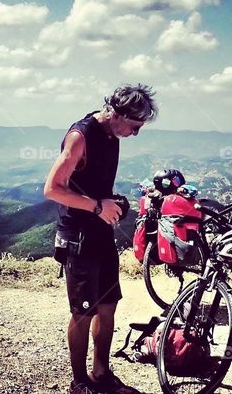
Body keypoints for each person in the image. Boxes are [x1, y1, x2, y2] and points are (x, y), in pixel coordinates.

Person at [43, 84, 158, 394]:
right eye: (134, 126)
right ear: (118, 114)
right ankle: (79, 383)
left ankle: (101, 374)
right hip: (77, 234)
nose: (135, 134)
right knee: (83, 311)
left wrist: (113, 202)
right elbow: (52, 188)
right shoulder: (81, 136)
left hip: (100, 232)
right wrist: (97, 206)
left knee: (107, 306)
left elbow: (93, 184)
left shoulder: (111, 133)